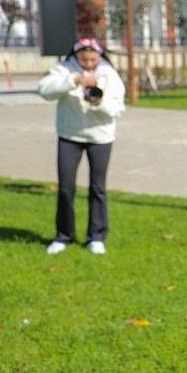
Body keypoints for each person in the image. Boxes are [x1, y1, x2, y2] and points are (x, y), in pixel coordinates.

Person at [36, 37, 126, 255]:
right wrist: (72, 80)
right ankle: (63, 235)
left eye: (93, 59)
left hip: (100, 138)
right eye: (83, 59)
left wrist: (98, 103)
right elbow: (44, 90)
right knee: (66, 188)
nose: (88, 64)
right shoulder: (64, 69)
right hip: (70, 136)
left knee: (98, 188)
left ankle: (96, 237)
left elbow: (118, 109)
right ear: (75, 56)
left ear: (100, 56)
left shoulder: (109, 74)